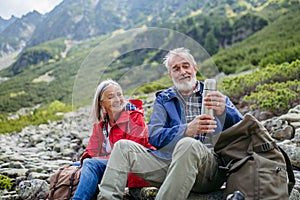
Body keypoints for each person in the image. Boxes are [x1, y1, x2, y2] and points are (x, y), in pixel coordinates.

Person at [98, 48, 243, 200]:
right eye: (176, 69)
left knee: (187, 144)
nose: (182, 72)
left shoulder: (216, 98)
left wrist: (225, 112)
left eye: (186, 66)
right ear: (170, 75)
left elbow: (242, 129)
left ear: (195, 68)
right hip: (169, 165)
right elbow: (154, 136)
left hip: (208, 171)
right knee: (123, 147)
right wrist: (186, 130)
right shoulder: (164, 100)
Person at [72, 79, 155, 200]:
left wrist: (94, 161)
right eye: (111, 97)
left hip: (134, 169)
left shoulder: (134, 117)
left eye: (119, 94)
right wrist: (87, 160)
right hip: (113, 166)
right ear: (101, 103)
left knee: (91, 164)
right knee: (80, 164)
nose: (117, 100)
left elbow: (131, 154)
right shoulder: (102, 123)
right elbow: (91, 151)